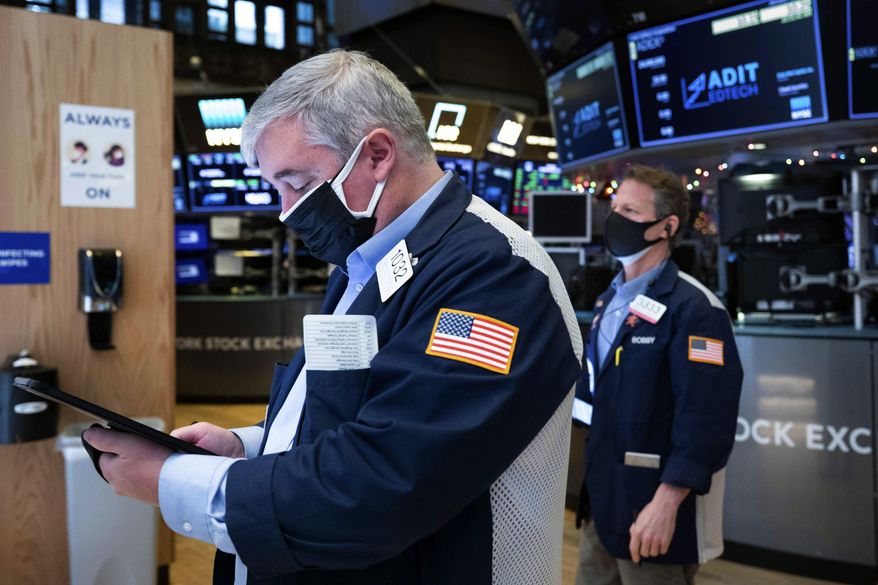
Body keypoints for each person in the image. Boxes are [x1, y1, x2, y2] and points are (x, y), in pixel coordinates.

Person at [84, 49, 582, 585]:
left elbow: (387, 483)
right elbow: (351, 416)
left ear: (376, 155)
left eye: (297, 183)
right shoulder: (364, 259)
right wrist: (249, 448)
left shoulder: (495, 277)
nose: (285, 209)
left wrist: (174, 480)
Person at [573, 164, 743, 585]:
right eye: (615, 208)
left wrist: (667, 502)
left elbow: (707, 420)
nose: (615, 220)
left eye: (630, 212)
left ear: (666, 226)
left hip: (654, 510)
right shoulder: (608, 300)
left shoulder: (695, 309)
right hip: (602, 504)